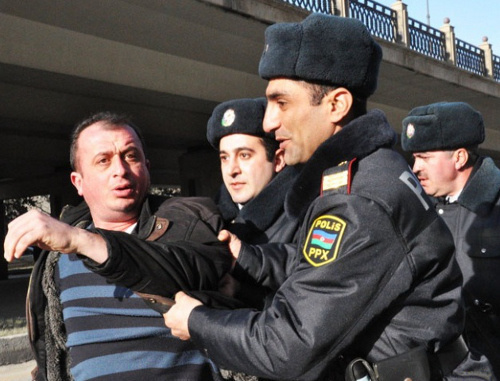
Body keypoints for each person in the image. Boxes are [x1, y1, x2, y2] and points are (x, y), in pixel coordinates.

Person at [164, 14, 492, 380]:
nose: (270, 122)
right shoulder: (367, 171)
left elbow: (286, 346)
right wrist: (250, 258)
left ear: (336, 105)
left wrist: (196, 321)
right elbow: (328, 266)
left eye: (282, 103)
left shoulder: (360, 199)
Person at [3, 111, 236, 381]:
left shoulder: (188, 217)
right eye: (103, 160)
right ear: (78, 183)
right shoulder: (57, 257)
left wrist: (83, 241)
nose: (120, 170)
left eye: (131, 156)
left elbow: (195, 270)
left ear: (147, 167)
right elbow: (54, 351)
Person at [401, 101, 500, 378]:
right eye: (414, 158)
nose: (415, 167)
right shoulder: (418, 210)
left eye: (424, 157)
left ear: (458, 158)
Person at [207, 97, 299, 245]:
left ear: (279, 160)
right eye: (225, 158)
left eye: (244, 155)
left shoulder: (303, 217)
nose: (231, 170)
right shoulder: (210, 221)